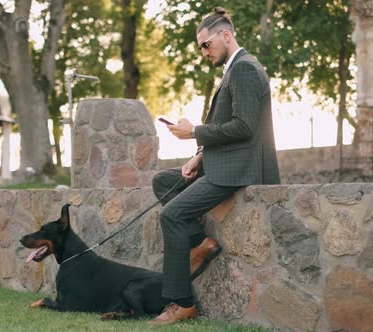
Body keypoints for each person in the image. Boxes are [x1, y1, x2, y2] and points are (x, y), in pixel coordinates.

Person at [149, 7, 280, 325]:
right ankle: (201, 242)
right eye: (200, 48)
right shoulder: (234, 69)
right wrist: (199, 155)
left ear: (225, 35)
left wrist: (193, 131)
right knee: (163, 181)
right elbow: (228, 126)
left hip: (240, 169)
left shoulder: (246, 68)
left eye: (205, 44)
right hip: (222, 162)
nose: (203, 52)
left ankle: (182, 303)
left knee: (172, 214)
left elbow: (244, 127)